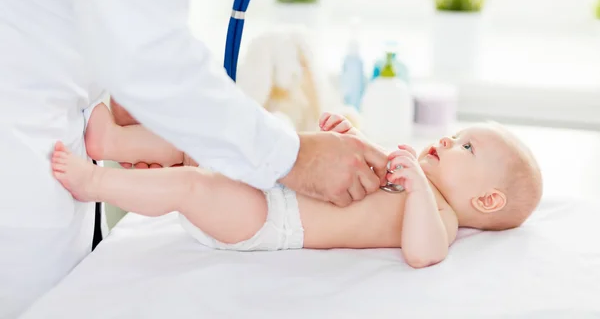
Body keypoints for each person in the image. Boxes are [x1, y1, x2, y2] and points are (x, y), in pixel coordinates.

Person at [0, 0, 387, 316]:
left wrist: (132, 90)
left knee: (187, 178)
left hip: (61, 108)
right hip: (21, 124)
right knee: (189, 182)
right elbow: (145, 48)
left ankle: (110, 148)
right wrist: (298, 157)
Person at [53, 105, 543, 268]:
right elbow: (350, 175)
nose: (447, 140)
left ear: (487, 200)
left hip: (271, 219)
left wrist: (416, 190)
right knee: (204, 142)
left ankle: (96, 181)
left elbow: (422, 253)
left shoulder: (443, 215)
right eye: (457, 135)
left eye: (466, 148)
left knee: (194, 185)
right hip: (275, 178)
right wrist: (347, 136)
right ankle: (113, 138)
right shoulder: (407, 167)